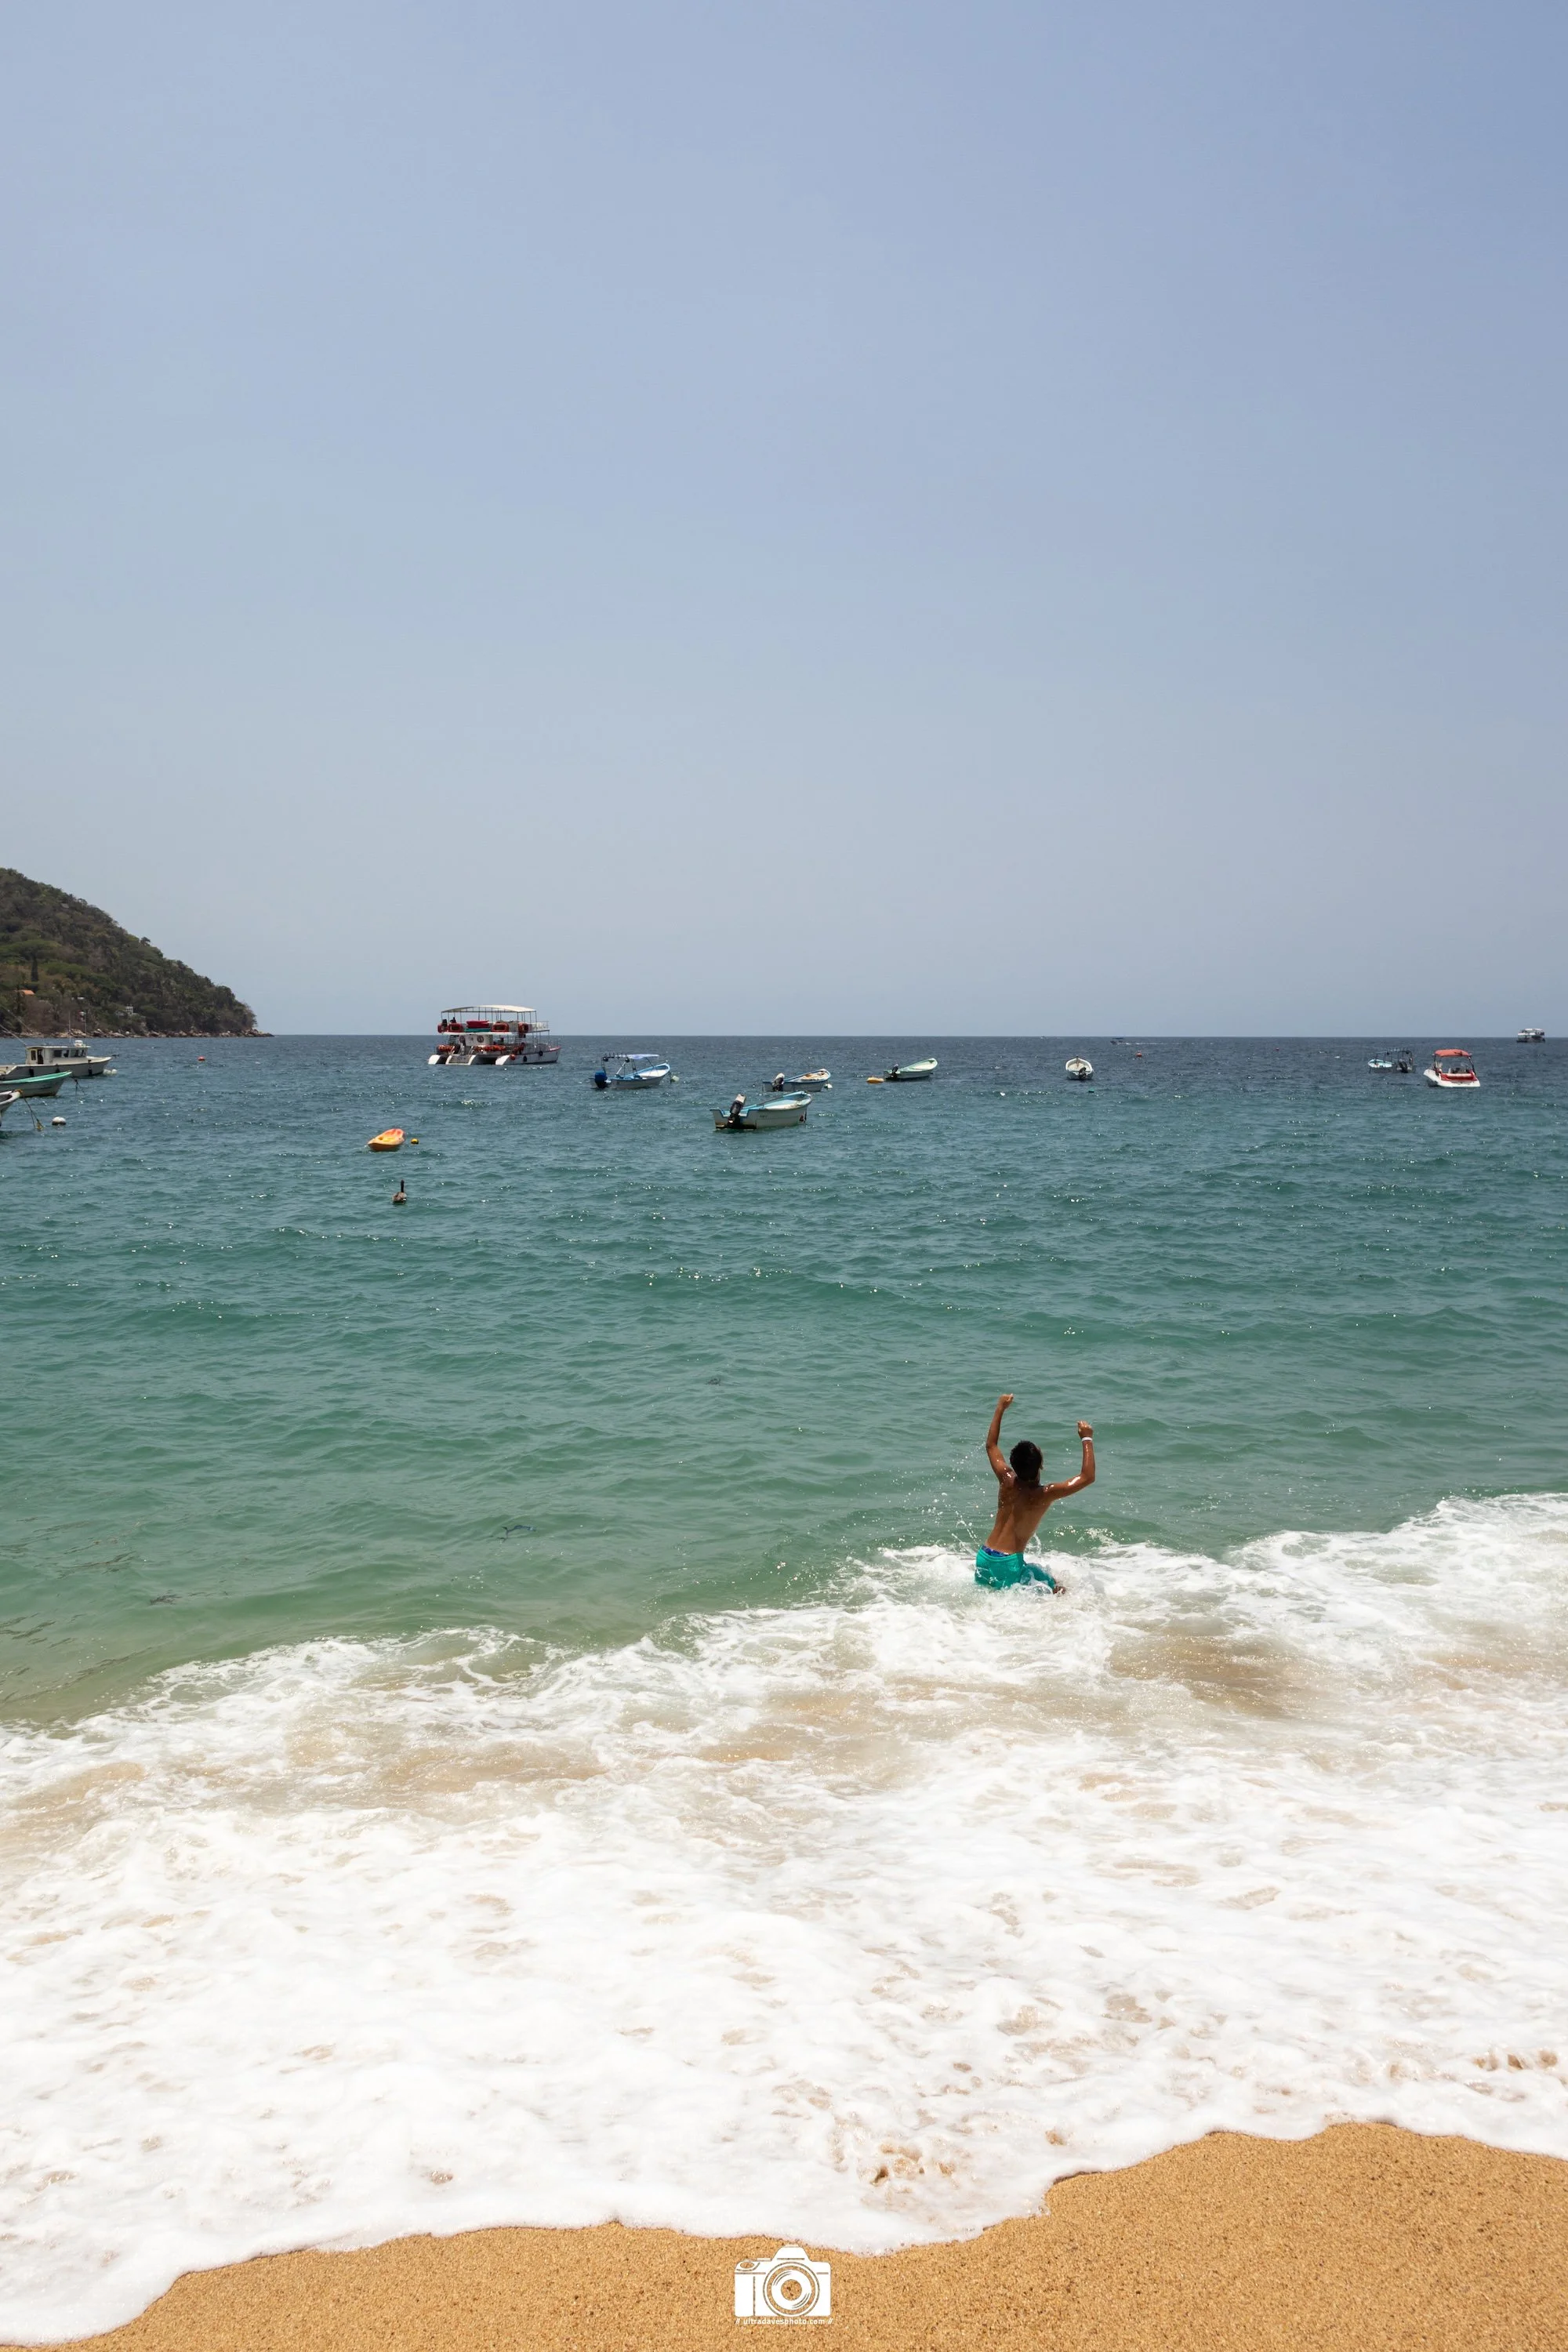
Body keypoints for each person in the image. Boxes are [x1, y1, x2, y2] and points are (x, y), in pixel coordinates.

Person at [975, 1395, 1094, 1591]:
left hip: (984, 1557)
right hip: (1008, 1564)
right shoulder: (1044, 1494)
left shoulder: (1006, 1479)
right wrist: (1087, 1438)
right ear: (1041, 1466)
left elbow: (991, 1445)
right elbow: (1087, 1477)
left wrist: (1000, 1407)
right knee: (1058, 1589)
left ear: (1014, 1464)